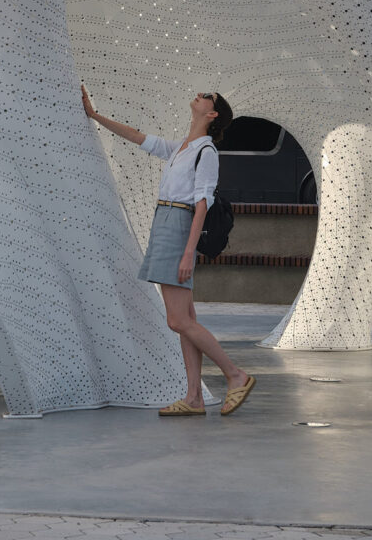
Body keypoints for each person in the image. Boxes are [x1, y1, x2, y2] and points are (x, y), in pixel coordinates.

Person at [81, 84, 256, 417]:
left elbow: (202, 203)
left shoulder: (206, 152)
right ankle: (193, 398)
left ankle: (236, 375)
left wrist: (189, 251)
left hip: (178, 226)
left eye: (208, 96)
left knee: (177, 320)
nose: (201, 94)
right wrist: (94, 115)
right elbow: (137, 137)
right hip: (166, 221)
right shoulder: (182, 148)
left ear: (212, 113)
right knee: (186, 319)